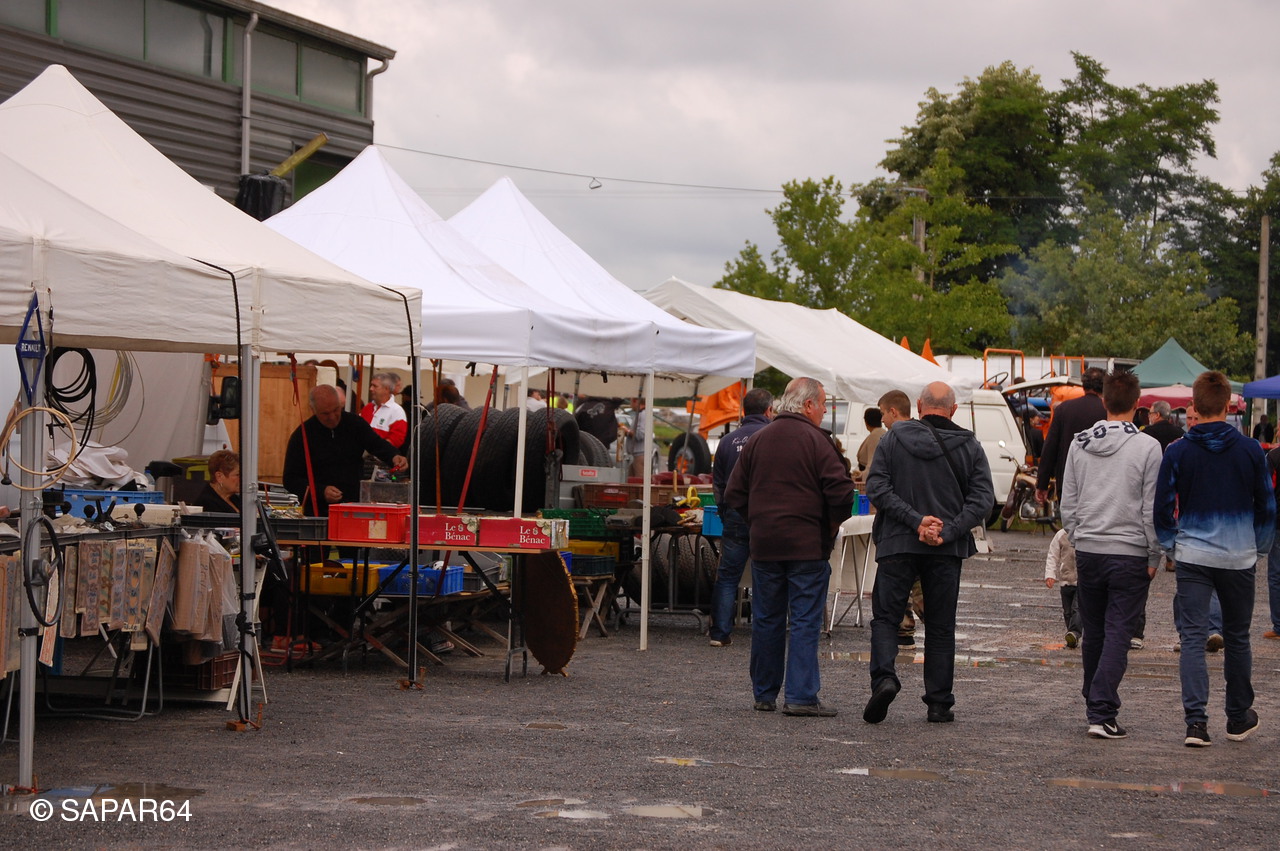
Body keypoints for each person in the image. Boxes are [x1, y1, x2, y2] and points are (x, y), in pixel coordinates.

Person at [1156, 371, 1275, 747]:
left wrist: (1171, 546)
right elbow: (1266, 506)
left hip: (1193, 554)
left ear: (1193, 405)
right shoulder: (1251, 450)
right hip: (1238, 555)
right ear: (1228, 405)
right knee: (1237, 637)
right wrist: (1258, 546)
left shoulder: (1177, 451)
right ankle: (1238, 717)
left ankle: (1196, 723)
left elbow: (1161, 507)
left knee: (1193, 638)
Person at [863, 381, 994, 724]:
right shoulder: (970, 445)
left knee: (886, 618)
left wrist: (915, 520)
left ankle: (884, 678)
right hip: (945, 550)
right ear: (954, 409)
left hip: (897, 542)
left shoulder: (893, 438)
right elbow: (982, 500)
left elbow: (876, 487)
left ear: (920, 406)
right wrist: (947, 530)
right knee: (940, 625)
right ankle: (938, 702)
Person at [723, 377, 853, 716]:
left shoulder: (758, 439)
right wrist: (829, 527)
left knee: (767, 619)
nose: (824, 411)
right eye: (823, 404)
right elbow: (842, 493)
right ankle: (801, 696)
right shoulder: (818, 442)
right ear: (808, 405)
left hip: (766, 544)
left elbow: (734, 492)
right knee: (804, 620)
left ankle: (764, 694)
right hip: (807, 545)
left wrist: (756, 521)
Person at [1059, 369, 1162, 739]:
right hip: (1130, 551)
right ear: (1138, 404)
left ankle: (1094, 698)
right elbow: (1151, 508)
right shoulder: (1148, 447)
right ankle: (1102, 709)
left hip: (1089, 548)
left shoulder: (1079, 443)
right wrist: (1154, 554)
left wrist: (1078, 536)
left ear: (1103, 400)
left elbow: (1068, 502)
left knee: (1095, 630)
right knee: (1119, 630)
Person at [708, 388, 774, 647]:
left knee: (727, 576)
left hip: (735, 513)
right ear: (769, 410)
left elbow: (718, 483)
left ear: (744, 410)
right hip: (765, 515)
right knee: (765, 575)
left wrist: (724, 510)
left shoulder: (727, 441)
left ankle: (719, 633)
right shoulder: (772, 436)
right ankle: (764, 634)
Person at [283, 385, 408, 516]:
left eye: (336, 410)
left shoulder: (354, 423)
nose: (332, 417)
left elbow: (377, 444)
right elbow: (290, 479)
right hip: (317, 513)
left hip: (354, 507)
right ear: (313, 410)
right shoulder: (302, 435)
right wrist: (321, 491)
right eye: (325, 413)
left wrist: (394, 456)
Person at [877, 389, 922, 646]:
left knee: (899, 586)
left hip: (897, 528)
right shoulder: (927, 437)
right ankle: (933, 632)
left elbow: (879, 488)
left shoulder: (889, 441)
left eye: (883, 413)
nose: (882, 419)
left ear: (893, 412)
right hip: (923, 526)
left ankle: (904, 626)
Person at [1036, 367, 1106, 505]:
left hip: (1068, 481)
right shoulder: (1107, 411)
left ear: (1083, 385)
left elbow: (1050, 447)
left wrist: (1042, 484)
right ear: (1104, 386)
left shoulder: (1064, 409)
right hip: (1100, 483)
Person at [1045, 528, 1081, 649]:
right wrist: (1050, 575)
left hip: (1081, 581)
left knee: (1077, 608)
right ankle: (1071, 636)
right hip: (1065, 581)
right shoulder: (1061, 535)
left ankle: (1075, 632)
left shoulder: (1085, 533)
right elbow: (1052, 555)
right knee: (1067, 612)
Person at [360, 372, 408, 448]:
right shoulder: (367, 408)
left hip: (381, 455)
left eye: (375, 386)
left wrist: (375, 449)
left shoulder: (397, 411)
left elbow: (396, 439)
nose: (371, 389)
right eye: (371, 385)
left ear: (386, 389)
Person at [194, 449, 242, 514]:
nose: (242, 479)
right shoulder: (208, 505)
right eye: (238, 475)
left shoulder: (235, 498)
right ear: (219, 477)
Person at [854, 407, 887, 482]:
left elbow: (872, 463)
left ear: (866, 421)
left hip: (871, 478)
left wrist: (863, 476)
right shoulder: (880, 433)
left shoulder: (875, 435)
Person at [623, 397, 648, 478]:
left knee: (639, 481)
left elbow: (641, 434)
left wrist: (627, 431)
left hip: (639, 455)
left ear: (635, 401)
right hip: (634, 455)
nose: (630, 405)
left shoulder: (643, 415)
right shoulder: (640, 414)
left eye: (631, 402)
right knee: (631, 480)